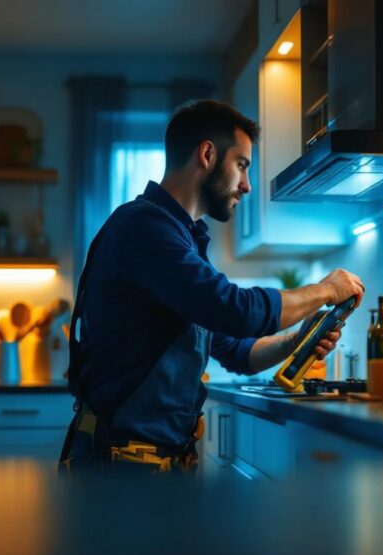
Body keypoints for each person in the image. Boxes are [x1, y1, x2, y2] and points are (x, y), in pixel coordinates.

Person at [59, 99, 364, 473]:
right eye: (242, 165)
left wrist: (296, 340)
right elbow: (235, 310)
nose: (247, 185)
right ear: (207, 154)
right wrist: (327, 289)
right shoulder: (145, 229)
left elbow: (234, 350)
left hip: (148, 462)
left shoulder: (180, 240)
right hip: (119, 464)